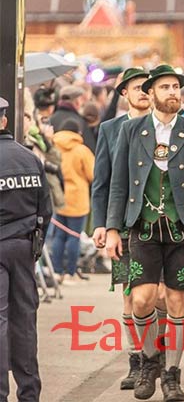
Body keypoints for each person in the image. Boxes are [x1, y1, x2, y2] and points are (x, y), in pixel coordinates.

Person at [106, 64, 184, 402]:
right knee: (140, 300)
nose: (173, 92)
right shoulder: (132, 131)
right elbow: (118, 184)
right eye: (166, 87)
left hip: (183, 229)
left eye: (176, 87)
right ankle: (149, 362)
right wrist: (112, 228)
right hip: (142, 226)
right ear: (151, 93)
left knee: (176, 301)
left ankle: (172, 375)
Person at [90, 66, 153, 390]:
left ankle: (158, 359)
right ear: (124, 93)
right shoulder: (111, 129)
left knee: (161, 299)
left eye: (148, 86)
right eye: (137, 86)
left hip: (162, 226)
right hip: (125, 226)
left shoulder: (167, 127)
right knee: (130, 298)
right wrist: (101, 224)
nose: (144, 90)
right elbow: (101, 182)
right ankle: (136, 361)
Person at [0, 96, 52, 402]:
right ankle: (29, 393)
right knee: (24, 323)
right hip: (23, 248)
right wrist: (34, 248)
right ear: (4, 121)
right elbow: (46, 210)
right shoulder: (29, 158)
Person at [50, 118, 95, 284]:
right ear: (78, 132)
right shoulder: (81, 150)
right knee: (74, 236)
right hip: (77, 198)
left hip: (58, 196)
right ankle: (70, 272)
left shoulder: (53, 146)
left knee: (59, 235)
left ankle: (56, 271)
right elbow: (93, 174)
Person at [50, 85, 96, 153]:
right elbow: (90, 149)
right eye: (81, 99)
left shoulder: (52, 119)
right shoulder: (79, 121)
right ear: (77, 101)